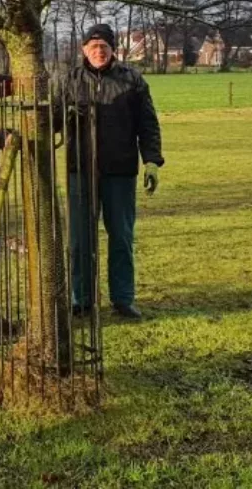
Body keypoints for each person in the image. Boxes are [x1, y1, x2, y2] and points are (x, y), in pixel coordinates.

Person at [62, 23, 164, 320]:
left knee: (121, 236)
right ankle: (81, 299)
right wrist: (62, 115)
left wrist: (152, 161)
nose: (99, 51)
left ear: (113, 50)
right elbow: (52, 122)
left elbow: (148, 123)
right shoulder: (69, 80)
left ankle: (122, 298)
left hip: (120, 170)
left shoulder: (132, 80)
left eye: (104, 47)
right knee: (81, 239)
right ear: (83, 49)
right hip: (79, 169)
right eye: (93, 47)